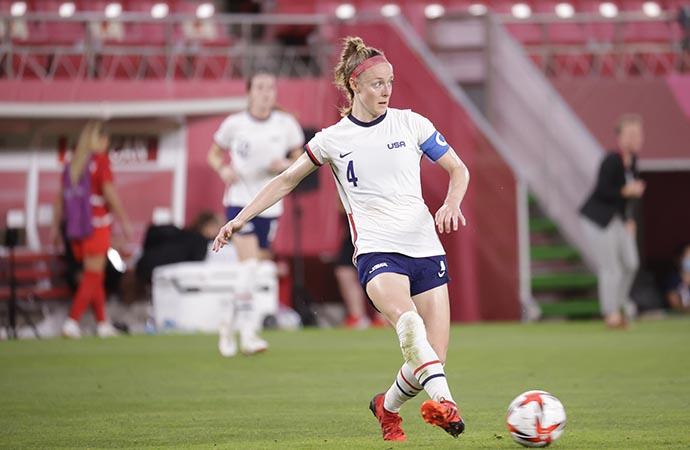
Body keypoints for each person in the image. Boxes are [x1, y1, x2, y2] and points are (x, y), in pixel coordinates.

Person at [212, 37, 470, 442]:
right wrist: (238, 220)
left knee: (428, 361)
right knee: (409, 327)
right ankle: (448, 405)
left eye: (390, 82)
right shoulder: (332, 139)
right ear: (354, 86)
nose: (386, 90)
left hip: (425, 249)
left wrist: (452, 203)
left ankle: (386, 408)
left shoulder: (412, 123)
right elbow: (285, 181)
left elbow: (459, 169)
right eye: (377, 84)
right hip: (377, 251)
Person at [207, 70, 304, 357]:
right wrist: (223, 168)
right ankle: (248, 333)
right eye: (260, 87)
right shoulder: (235, 124)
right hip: (239, 202)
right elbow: (214, 153)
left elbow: (300, 158)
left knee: (252, 268)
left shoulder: (286, 124)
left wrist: (285, 163)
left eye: (270, 87)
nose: (265, 93)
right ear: (249, 92)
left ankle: (227, 322)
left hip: (271, 206)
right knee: (249, 265)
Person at [51, 120, 132, 338]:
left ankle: (103, 324)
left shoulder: (74, 162)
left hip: (76, 227)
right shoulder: (100, 161)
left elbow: (59, 200)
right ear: (102, 139)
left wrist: (55, 228)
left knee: (93, 274)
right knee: (93, 274)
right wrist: (124, 221)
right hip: (96, 225)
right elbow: (109, 193)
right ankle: (72, 321)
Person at [580, 114, 646, 329]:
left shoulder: (634, 162)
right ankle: (611, 313)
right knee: (611, 268)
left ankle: (619, 304)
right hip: (598, 219)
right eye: (631, 134)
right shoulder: (611, 160)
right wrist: (626, 191)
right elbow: (603, 190)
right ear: (620, 137)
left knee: (631, 263)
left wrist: (629, 218)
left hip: (618, 219)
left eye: (638, 133)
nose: (636, 138)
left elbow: (628, 198)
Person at [665, 243, 690, 313]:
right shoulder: (672, 279)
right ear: (678, 258)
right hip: (678, 315)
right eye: (687, 256)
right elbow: (673, 302)